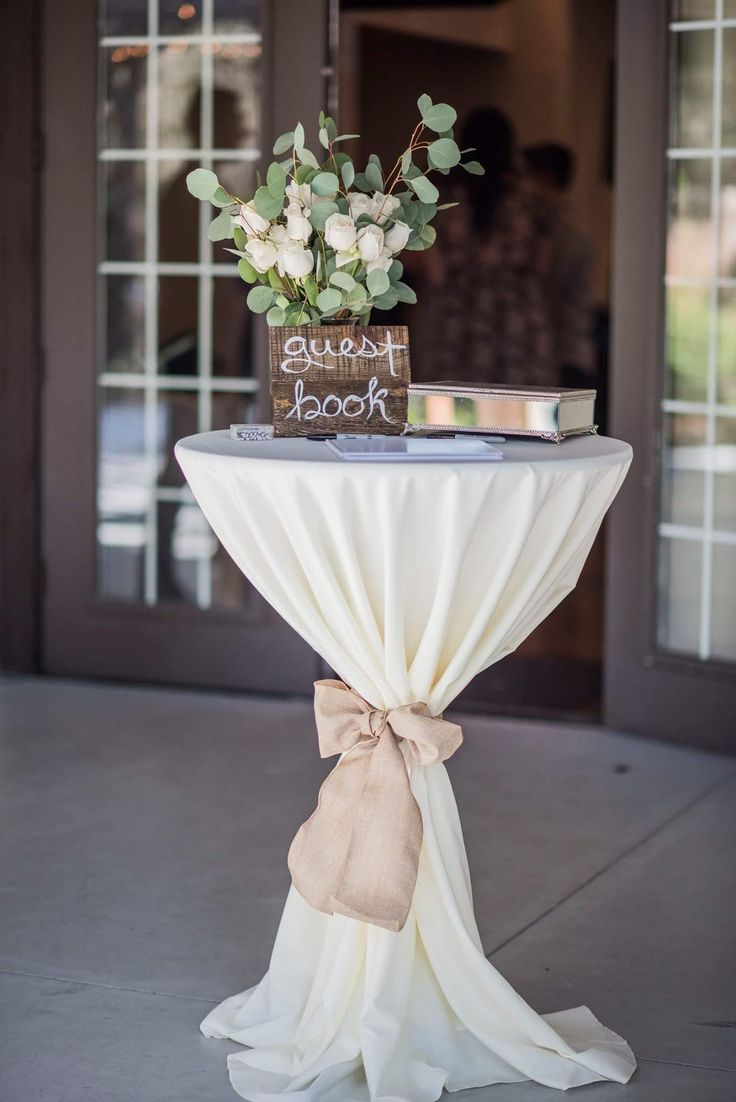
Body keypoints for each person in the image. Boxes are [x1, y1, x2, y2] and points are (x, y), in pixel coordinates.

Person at [412, 107, 555, 386]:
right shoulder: (532, 197)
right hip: (517, 315)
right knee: (518, 412)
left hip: (455, 316)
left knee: (453, 413)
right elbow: (543, 267)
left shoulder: (443, 196)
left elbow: (434, 271)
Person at [522, 143, 596, 388]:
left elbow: (549, 290)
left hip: (563, 355)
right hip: (563, 351)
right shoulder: (565, 227)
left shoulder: (561, 232)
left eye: (527, 176)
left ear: (545, 179)